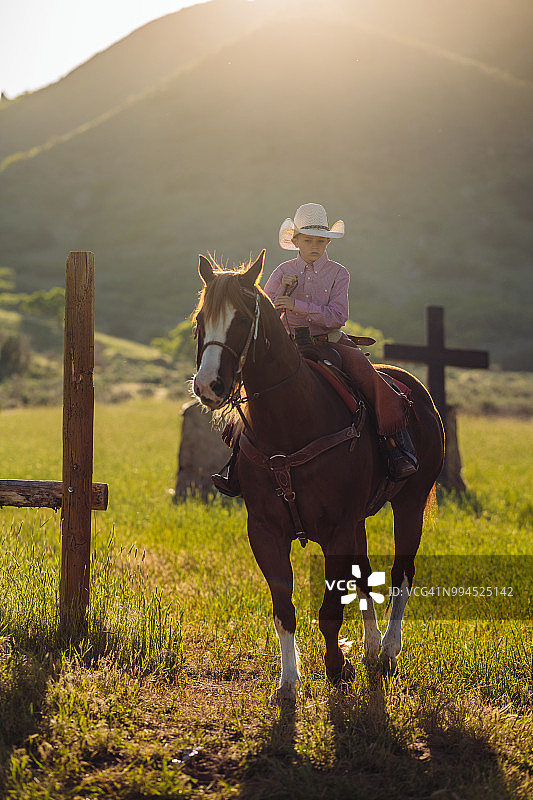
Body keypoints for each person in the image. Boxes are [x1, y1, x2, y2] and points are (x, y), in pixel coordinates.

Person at [212, 203, 418, 496]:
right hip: (289, 345)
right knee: (252, 389)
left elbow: (338, 316)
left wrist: (297, 305)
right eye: (307, 240)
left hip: (330, 342)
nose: (314, 246)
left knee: (372, 379)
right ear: (294, 241)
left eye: (320, 241)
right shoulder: (282, 272)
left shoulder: (338, 273)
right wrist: (283, 293)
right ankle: (234, 463)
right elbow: (264, 313)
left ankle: (398, 449)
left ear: (327, 243)